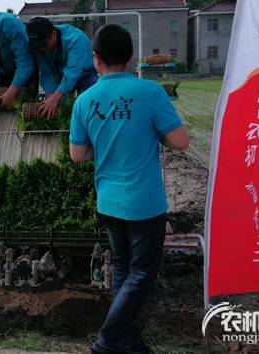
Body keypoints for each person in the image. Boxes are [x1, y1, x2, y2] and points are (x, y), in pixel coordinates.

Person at [69, 24, 189, 354]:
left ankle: (128, 340)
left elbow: (77, 155)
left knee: (122, 269)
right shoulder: (150, 93)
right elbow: (181, 141)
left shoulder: (85, 101)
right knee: (141, 274)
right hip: (145, 204)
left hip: (109, 203)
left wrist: (103, 144)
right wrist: (155, 133)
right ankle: (107, 342)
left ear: (95, 60)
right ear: (131, 57)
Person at [26, 17, 97, 118]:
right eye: (39, 46)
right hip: (59, 74)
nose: (43, 49)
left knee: (91, 103)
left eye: (45, 44)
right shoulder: (40, 47)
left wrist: (55, 97)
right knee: (61, 107)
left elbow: (72, 72)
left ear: (54, 34)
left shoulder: (75, 40)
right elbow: (47, 72)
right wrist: (50, 95)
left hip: (84, 73)